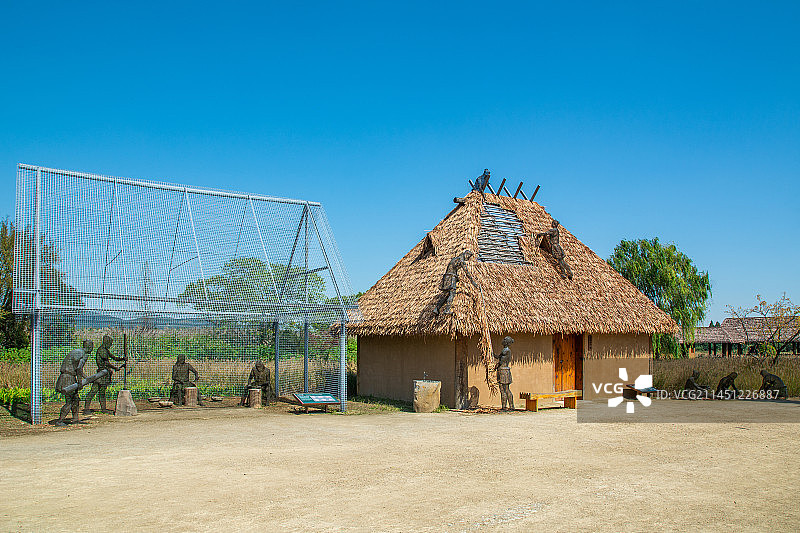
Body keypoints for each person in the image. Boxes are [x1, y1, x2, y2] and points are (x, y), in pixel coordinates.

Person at [83, 335, 126, 413]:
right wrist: (115, 368)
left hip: (105, 374)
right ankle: (86, 409)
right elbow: (106, 362)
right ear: (106, 342)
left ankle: (103, 408)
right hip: (101, 374)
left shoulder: (106, 350)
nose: (110, 345)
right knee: (93, 391)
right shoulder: (102, 350)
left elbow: (114, 357)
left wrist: (122, 358)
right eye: (110, 343)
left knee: (102, 392)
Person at [55, 340, 93, 426]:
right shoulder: (83, 354)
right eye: (92, 347)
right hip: (68, 378)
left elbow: (77, 368)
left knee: (75, 399)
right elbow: (79, 369)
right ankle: (60, 421)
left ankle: (75, 419)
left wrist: (86, 378)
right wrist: (80, 382)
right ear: (89, 347)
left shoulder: (76, 352)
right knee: (70, 401)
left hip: (66, 377)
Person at [434, 250, 480, 316]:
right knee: (452, 293)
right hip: (452, 278)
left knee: (446, 294)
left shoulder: (454, 259)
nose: (467, 259)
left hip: (446, 277)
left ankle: (436, 308)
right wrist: (473, 282)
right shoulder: (461, 261)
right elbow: (467, 272)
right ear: (466, 254)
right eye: (468, 257)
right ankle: (447, 310)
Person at [495, 336, 515, 411]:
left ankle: (511, 406)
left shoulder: (506, 351)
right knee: (502, 389)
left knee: (506, 389)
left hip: (504, 371)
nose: (503, 341)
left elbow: (501, 361)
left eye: (504, 340)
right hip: (501, 371)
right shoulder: (504, 350)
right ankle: (504, 406)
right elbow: (498, 357)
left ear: (507, 342)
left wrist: (497, 365)